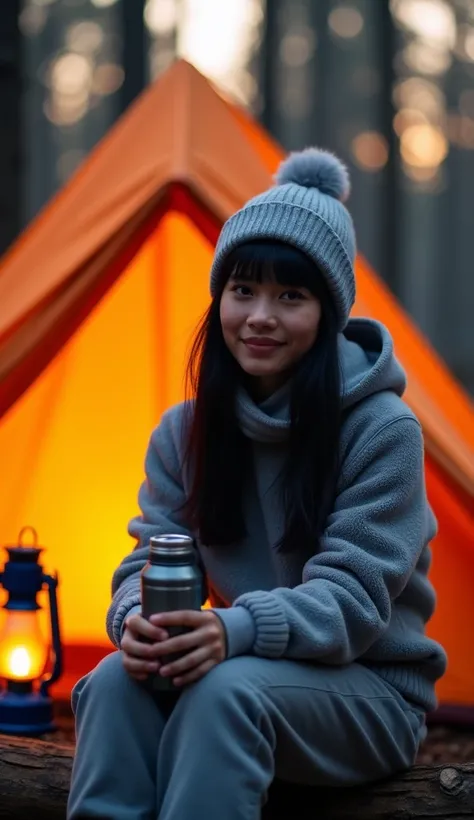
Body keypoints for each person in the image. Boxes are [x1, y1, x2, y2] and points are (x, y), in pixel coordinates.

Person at [67, 148, 447, 820]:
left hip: (369, 692)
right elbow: (146, 558)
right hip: (246, 667)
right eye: (243, 290)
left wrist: (232, 631)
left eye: (290, 296)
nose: (260, 317)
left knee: (225, 693)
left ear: (326, 312)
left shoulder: (384, 431)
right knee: (111, 684)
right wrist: (135, 620)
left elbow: (351, 602)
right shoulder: (185, 431)